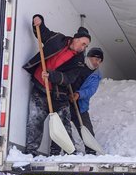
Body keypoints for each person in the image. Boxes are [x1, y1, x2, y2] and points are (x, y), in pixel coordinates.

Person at [22, 14, 90, 155]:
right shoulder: (58, 39)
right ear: (75, 39)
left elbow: (69, 78)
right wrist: (38, 20)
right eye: (83, 44)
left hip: (60, 95)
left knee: (64, 126)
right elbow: (43, 33)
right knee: (35, 121)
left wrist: (52, 76)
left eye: (86, 46)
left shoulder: (79, 60)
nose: (84, 48)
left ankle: (62, 154)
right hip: (40, 88)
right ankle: (30, 152)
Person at [70, 47, 103, 154]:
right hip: (65, 101)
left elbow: (90, 90)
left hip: (80, 105)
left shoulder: (95, 75)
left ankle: (91, 152)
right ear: (89, 57)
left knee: (86, 129)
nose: (97, 62)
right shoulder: (77, 64)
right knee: (63, 127)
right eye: (95, 59)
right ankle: (68, 151)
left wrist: (78, 94)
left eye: (99, 60)